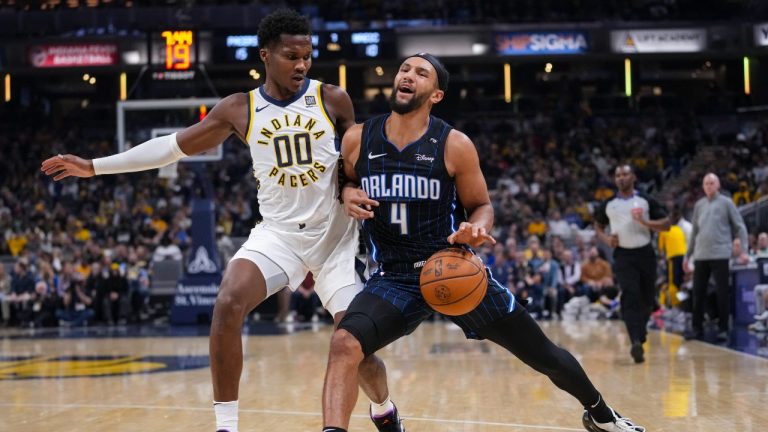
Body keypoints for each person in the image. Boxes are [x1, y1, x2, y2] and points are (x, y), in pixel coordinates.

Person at [40, 9, 399, 432]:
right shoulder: (238, 109)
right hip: (279, 236)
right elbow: (171, 147)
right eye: (291, 55)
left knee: (359, 351)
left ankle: (385, 408)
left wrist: (351, 187)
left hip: (335, 241)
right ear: (265, 55)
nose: (302, 64)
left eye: (307, 55)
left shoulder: (332, 98)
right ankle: (226, 426)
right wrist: (95, 166)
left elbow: (353, 157)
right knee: (227, 302)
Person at [321, 53, 645, 432]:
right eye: (404, 69)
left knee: (545, 356)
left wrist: (475, 228)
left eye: (420, 73)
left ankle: (601, 414)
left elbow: (482, 206)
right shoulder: (358, 138)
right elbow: (345, 181)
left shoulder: (454, 144)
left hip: (454, 268)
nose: (408, 75)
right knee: (345, 344)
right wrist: (346, 193)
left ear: (436, 94)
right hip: (395, 277)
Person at [594, 165, 670, 363]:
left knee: (647, 297)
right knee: (630, 294)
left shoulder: (645, 200)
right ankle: (635, 340)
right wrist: (606, 239)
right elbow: (598, 225)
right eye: (618, 175)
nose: (621, 178)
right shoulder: (609, 204)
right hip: (623, 256)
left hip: (645, 253)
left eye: (625, 174)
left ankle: (640, 332)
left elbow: (666, 224)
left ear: (633, 177)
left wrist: (646, 223)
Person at [683, 173, 748, 342]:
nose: (709, 186)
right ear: (703, 187)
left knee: (722, 293)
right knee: (697, 293)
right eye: (706, 183)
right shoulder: (699, 205)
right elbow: (694, 233)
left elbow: (740, 227)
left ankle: (723, 328)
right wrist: (687, 256)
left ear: (718, 185)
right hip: (701, 255)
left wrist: (744, 251)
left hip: (720, 253)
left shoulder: (727, 203)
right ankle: (696, 329)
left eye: (712, 183)